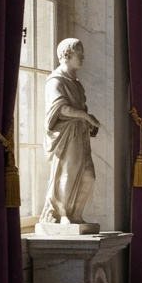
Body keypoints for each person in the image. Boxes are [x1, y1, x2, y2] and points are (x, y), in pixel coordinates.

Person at [41, 38, 100, 225]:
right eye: (79, 54)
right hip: (66, 134)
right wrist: (86, 116)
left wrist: (88, 121)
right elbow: (61, 109)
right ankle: (61, 214)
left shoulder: (76, 84)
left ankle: (76, 214)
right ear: (66, 55)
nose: (82, 58)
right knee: (69, 173)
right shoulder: (55, 81)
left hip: (80, 133)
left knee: (88, 175)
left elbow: (80, 108)